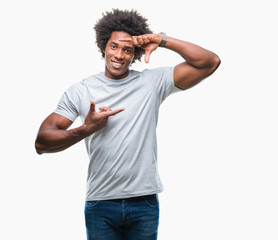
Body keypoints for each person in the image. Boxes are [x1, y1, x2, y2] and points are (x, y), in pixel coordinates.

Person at [35, 8, 220, 240]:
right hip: (100, 204)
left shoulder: (152, 82)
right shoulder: (81, 90)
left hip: (144, 203)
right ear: (104, 47)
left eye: (127, 49)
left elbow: (209, 62)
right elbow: (42, 142)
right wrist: (86, 129)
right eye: (114, 46)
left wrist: (161, 40)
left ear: (136, 55)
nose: (119, 55)